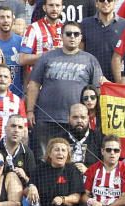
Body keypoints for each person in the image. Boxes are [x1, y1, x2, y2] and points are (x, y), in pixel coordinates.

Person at [24, 21, 104, 160]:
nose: (72, 37)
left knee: (72, 161)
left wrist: (92, 113)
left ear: (80, 37)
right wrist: (30, 111)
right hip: (46, 118)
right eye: (68, 34)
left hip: (76, 123)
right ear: (62, 36)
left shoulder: (90, 60)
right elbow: (34, 84)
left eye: (76, 34)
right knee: (44, 159)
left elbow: (96, 90)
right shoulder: (47, 57)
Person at [80, 0, 125, 80]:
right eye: (102, 0)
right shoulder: (85, 24)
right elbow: (81, 53)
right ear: (96, 3)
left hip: (117, 81)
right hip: (91, 80)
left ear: (115, 3)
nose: (106, 2)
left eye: (110, 0)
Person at [19, 0, 65, 71]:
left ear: (62, 8)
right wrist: (47, 55)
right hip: (39, 78)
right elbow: (22, 59)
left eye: (57, 5)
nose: (54, 9)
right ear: (44, 8)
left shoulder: (66, 29)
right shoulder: (33, 28)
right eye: (51, 5)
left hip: (60, 77)